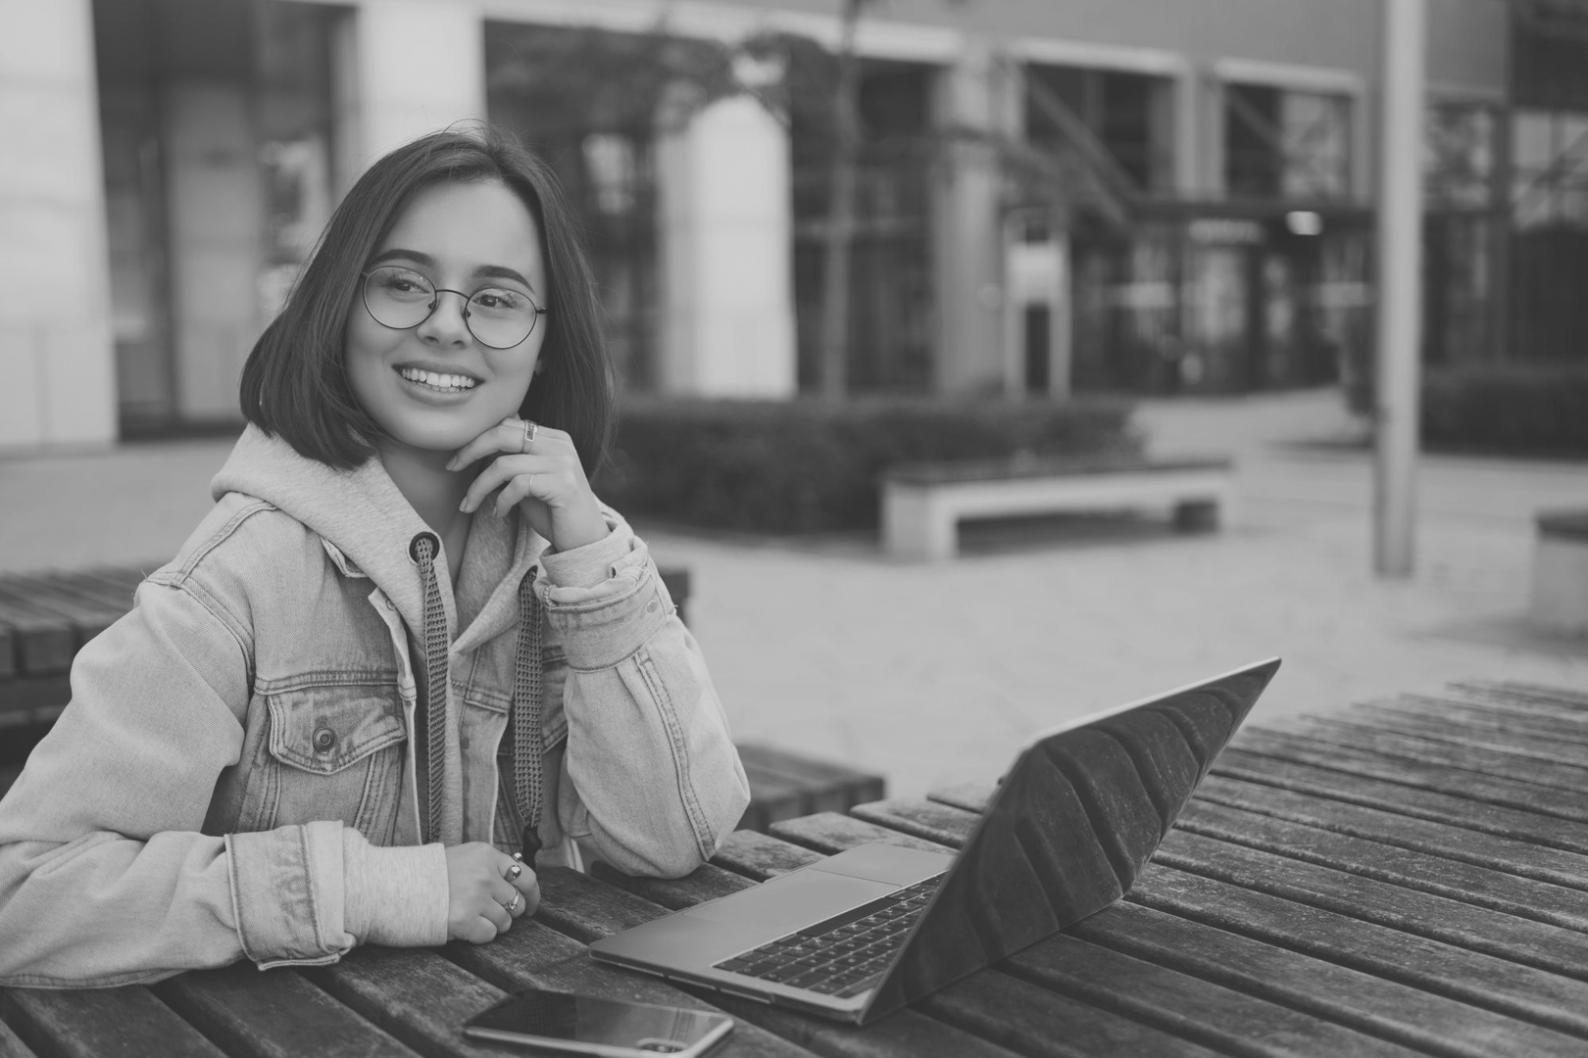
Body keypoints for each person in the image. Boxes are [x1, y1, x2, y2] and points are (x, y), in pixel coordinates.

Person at [0, 126, 750, 987]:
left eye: (497, 299)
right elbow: (23, 894)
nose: (443, 325)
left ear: (546, 344)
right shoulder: (241, 579)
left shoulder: (566, 563)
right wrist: (375, 889)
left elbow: (675, 841)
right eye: (402, 283)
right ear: (339, 306)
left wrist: (590, 552)